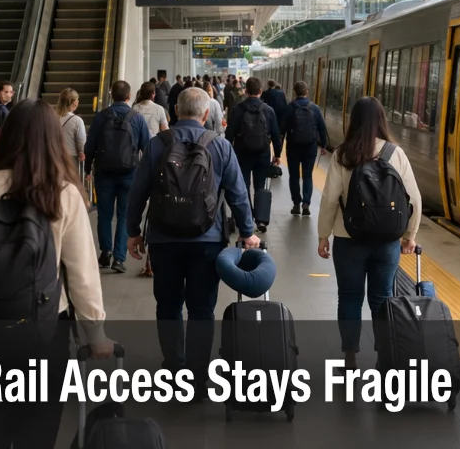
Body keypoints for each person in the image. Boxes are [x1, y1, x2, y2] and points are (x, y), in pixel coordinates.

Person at [0, 100, 111, 449]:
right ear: (53, 141)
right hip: (44, 334)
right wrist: (96, 333)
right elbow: (82, 275)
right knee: (37, 435)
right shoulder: (64, 194)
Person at [127, 88, 258, 396]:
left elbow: (137, 193)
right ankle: (198, 376)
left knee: (168, 304)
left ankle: (173, 368)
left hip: (163, 239)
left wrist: (133, 232)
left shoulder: (157, 144)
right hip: (208, 240)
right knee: (201, 307)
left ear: (174, 110)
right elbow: (238, 194)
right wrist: (248, 231)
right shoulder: (221, 146)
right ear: (207, 114)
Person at [317, 97, 423, 369]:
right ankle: (385, 358)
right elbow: (414, 198)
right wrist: (410, 236)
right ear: (381, 121)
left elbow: (330, 198)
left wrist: (322, 236)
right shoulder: (394, 153)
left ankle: (350, 356)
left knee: (350, 297)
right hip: (387, 241)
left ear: (354, 120)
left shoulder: (343, 154)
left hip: (348, 238)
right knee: (382, 298)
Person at [84, 80, 152, 273]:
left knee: (104, 214)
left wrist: (88, 168)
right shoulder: (137, 118)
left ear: (111, 95)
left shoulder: (101, 117)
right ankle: (119, 259)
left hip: (104, 173)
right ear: (129, 97)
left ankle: (105, 252)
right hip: (129, 174)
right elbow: (146, 148)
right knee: (124, 215)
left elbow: (90, 146)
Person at [225, 77, 282, 233]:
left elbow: (229, 134)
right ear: (260, 91)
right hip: (262, 154)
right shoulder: (268, 110)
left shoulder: (238, 109)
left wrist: (227, 153)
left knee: (243, 186)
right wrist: (277, 154)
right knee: (259, 186)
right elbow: (276, 134)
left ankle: (247, 217)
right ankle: (260, 219)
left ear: (246, 91)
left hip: (242, 153)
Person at [281, 81, 329, 216]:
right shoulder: (315, 108)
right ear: (307, 92)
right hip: (310, 147)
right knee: (308, 176)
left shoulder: (289, 108)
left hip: (293, 147)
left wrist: (278, 151)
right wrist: (324, 145)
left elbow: (282, 129)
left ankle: (296, 204)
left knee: (294, 176)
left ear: (295, 92)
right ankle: (306, 204)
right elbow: (321, 128)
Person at [56, 88, 87, 167]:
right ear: (74, 103)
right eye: (77, 99)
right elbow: (81, 141)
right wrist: (81, 152)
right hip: (70, 158)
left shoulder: (51, 117)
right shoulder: (77, 120)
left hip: (54, 157)